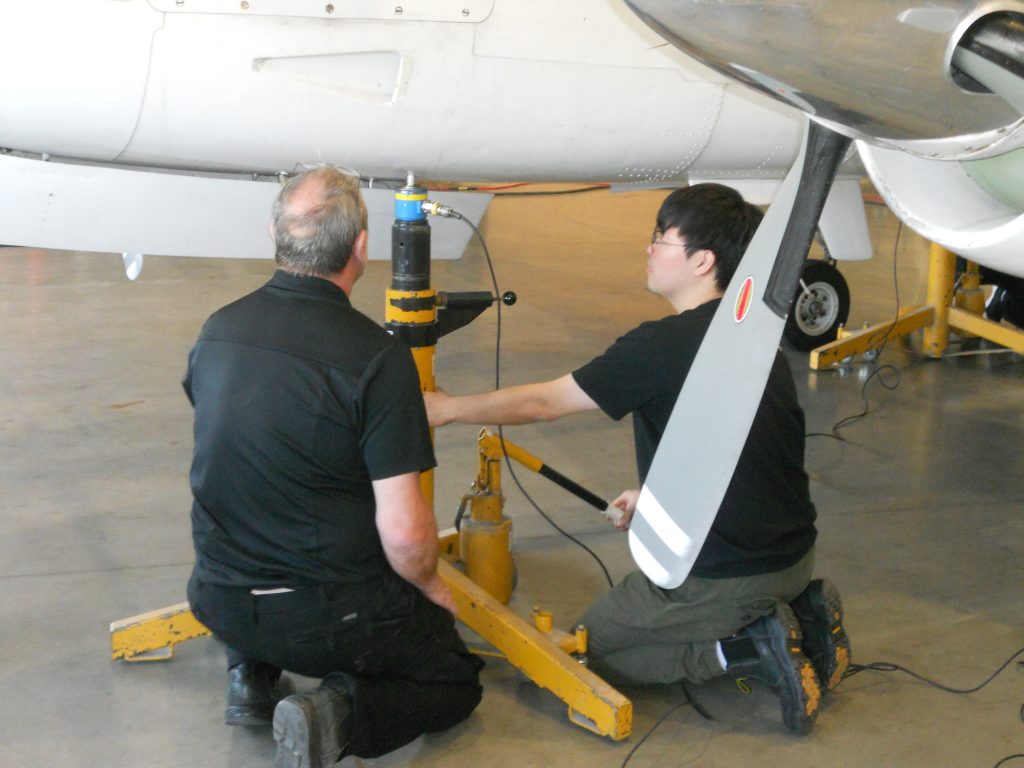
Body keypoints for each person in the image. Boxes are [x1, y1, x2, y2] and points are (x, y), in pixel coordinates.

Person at [426, 183, 849, 735]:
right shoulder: (752, 338)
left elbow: (546, 403)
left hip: (727, 579)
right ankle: (800, 614)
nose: (648, 248)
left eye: (661, 239)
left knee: (575, 656)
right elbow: (751, 451)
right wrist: (656, 496)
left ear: (702, 261)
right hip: (794, 558)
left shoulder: (661, 345)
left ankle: (745, 649)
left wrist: (447, 409)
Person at [183, 166, 483, 768]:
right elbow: (404, 535)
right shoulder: (377, 360)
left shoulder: (218, 331)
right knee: (454, 679)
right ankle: (335, 713)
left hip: (215, 595)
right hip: (325, 619)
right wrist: (430, 588)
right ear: (362, 248)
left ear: (274, 231)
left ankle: (249, 677)